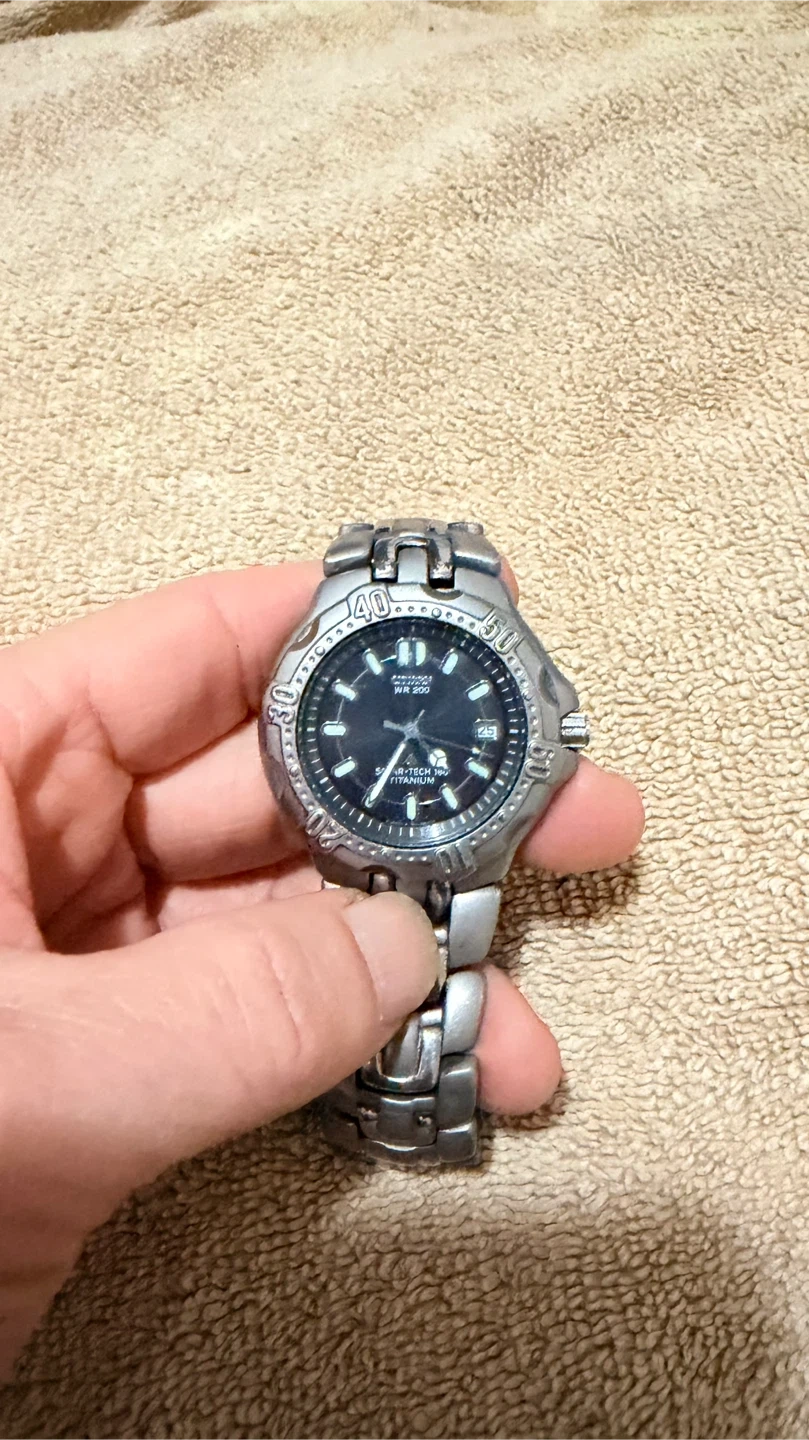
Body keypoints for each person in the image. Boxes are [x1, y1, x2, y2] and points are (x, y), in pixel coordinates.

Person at [0, 558, 644, 1379]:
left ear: (552, 734)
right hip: (398, 836)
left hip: (443, 842)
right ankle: (397, 1110)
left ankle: (398, 1110)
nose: (412, 733)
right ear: (285, 736)